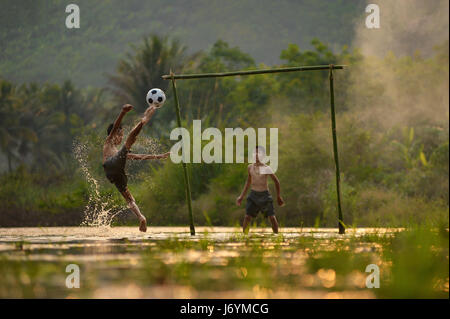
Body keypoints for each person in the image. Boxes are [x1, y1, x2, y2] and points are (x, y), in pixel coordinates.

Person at [102, 104, 169, 232]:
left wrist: (159, 156)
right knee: (130, 140)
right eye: (119, 135)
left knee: (130, 199)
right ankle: (142, 122)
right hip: (111, 163)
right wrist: (122, 112)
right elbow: (116, 126)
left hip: (114, 173)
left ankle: (141, 218)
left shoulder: (117, 150)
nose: (120, 138)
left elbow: (138, 156)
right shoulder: (108, 141)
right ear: (113, 134)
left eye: (121, 135)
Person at [236, 146, 284, 234]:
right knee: (247, 217)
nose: (257, 155)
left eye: (259, 153)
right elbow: (248, 182)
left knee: (272, 218)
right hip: (253, 195)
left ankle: (277, 236)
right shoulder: (250, 167)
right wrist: (241, 196)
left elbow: (276, 181)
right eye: (255, 153)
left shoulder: (266, 168)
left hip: (265, 195)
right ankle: (244, 236)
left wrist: (278, 196)